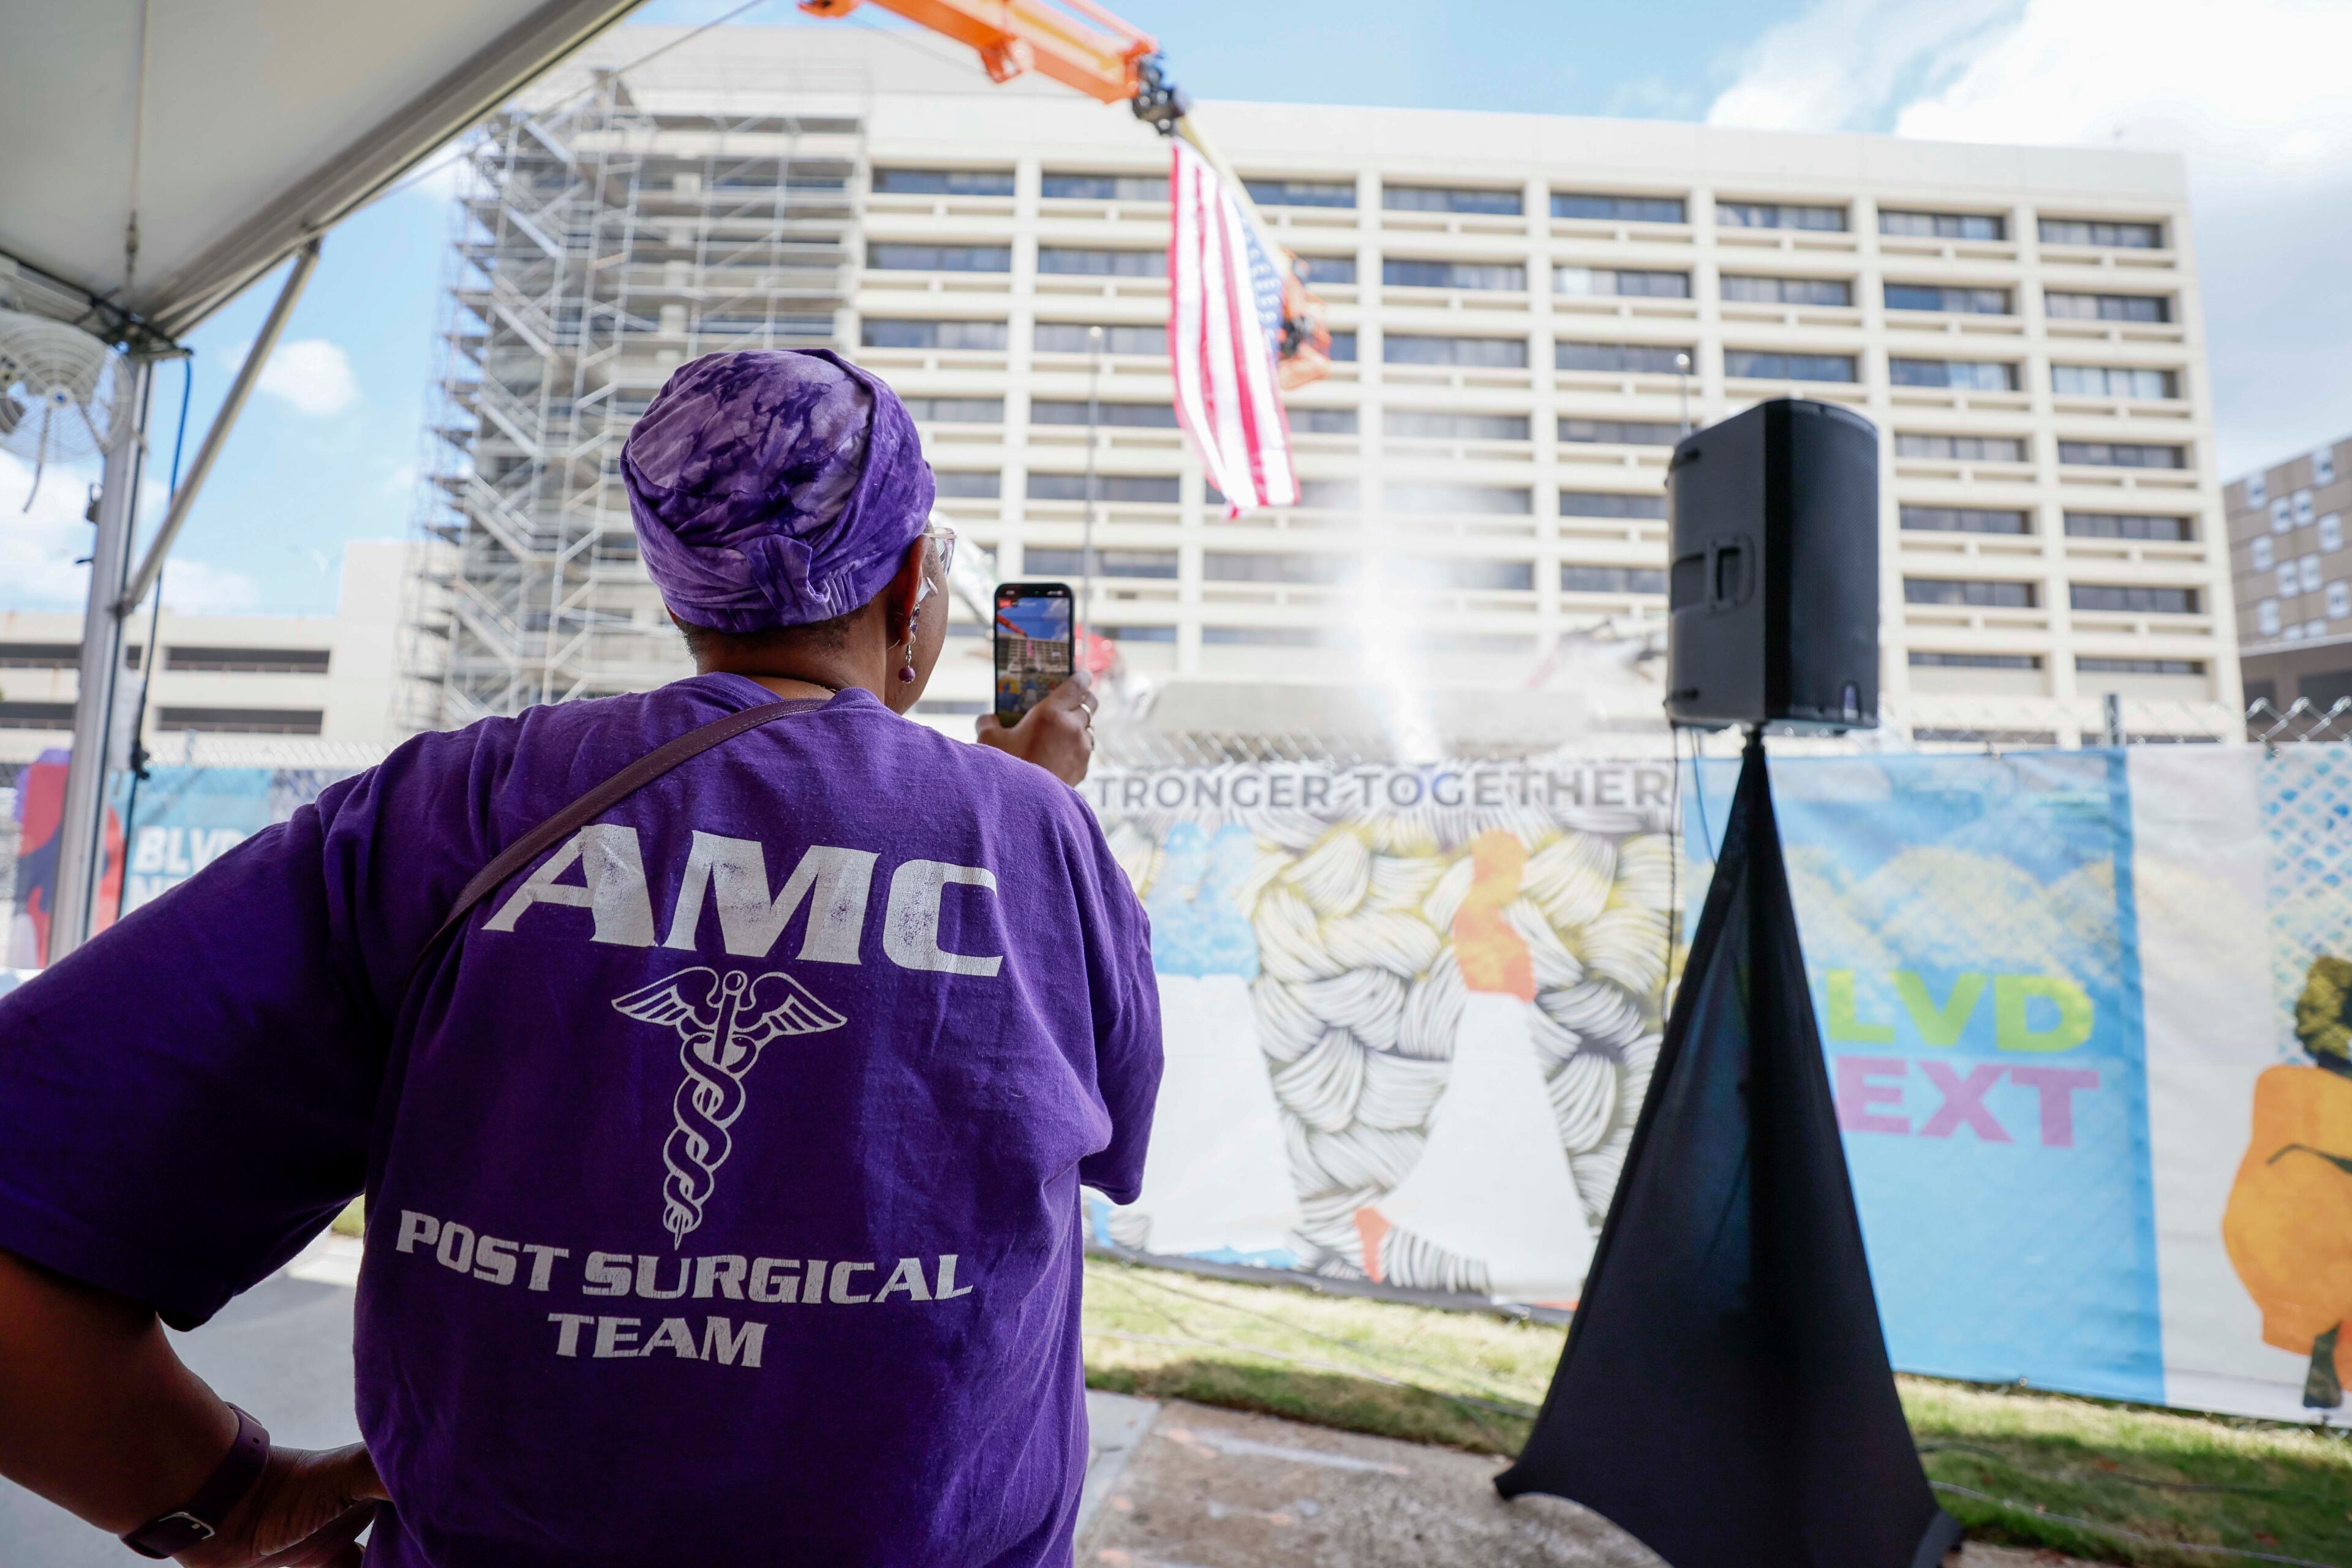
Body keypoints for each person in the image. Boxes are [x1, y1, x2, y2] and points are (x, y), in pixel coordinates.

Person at [0, 349, 1162, 1566]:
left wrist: (223, 1501)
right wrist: (1031, 809)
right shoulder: (1032, 834)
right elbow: (1110, 1138)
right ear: (914, 580)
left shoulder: (443, 812)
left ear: (681, 592)